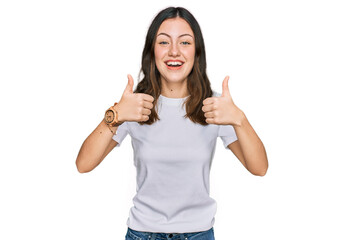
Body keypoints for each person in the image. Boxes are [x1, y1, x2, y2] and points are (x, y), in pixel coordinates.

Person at [76, 6, 268, 240]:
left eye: (185, 42)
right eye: (164, 42)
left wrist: (240, 118)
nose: (174, 52)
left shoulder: (215, 106)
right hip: (142, 233)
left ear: (197, 52)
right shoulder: (135, 105)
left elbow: (259, 168)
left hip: (198, 234)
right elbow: (84, 164)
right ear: (152, 51)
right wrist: (116, 114)